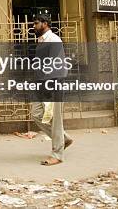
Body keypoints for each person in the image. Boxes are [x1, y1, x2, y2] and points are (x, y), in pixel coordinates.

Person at [30, 14, 73, 166]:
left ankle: (57, 154)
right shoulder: (41, 40)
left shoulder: (54, 40)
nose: (33, 26)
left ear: (45, 23)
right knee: (36, 114)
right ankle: (64, 138)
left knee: (55, 119)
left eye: (36, 23)